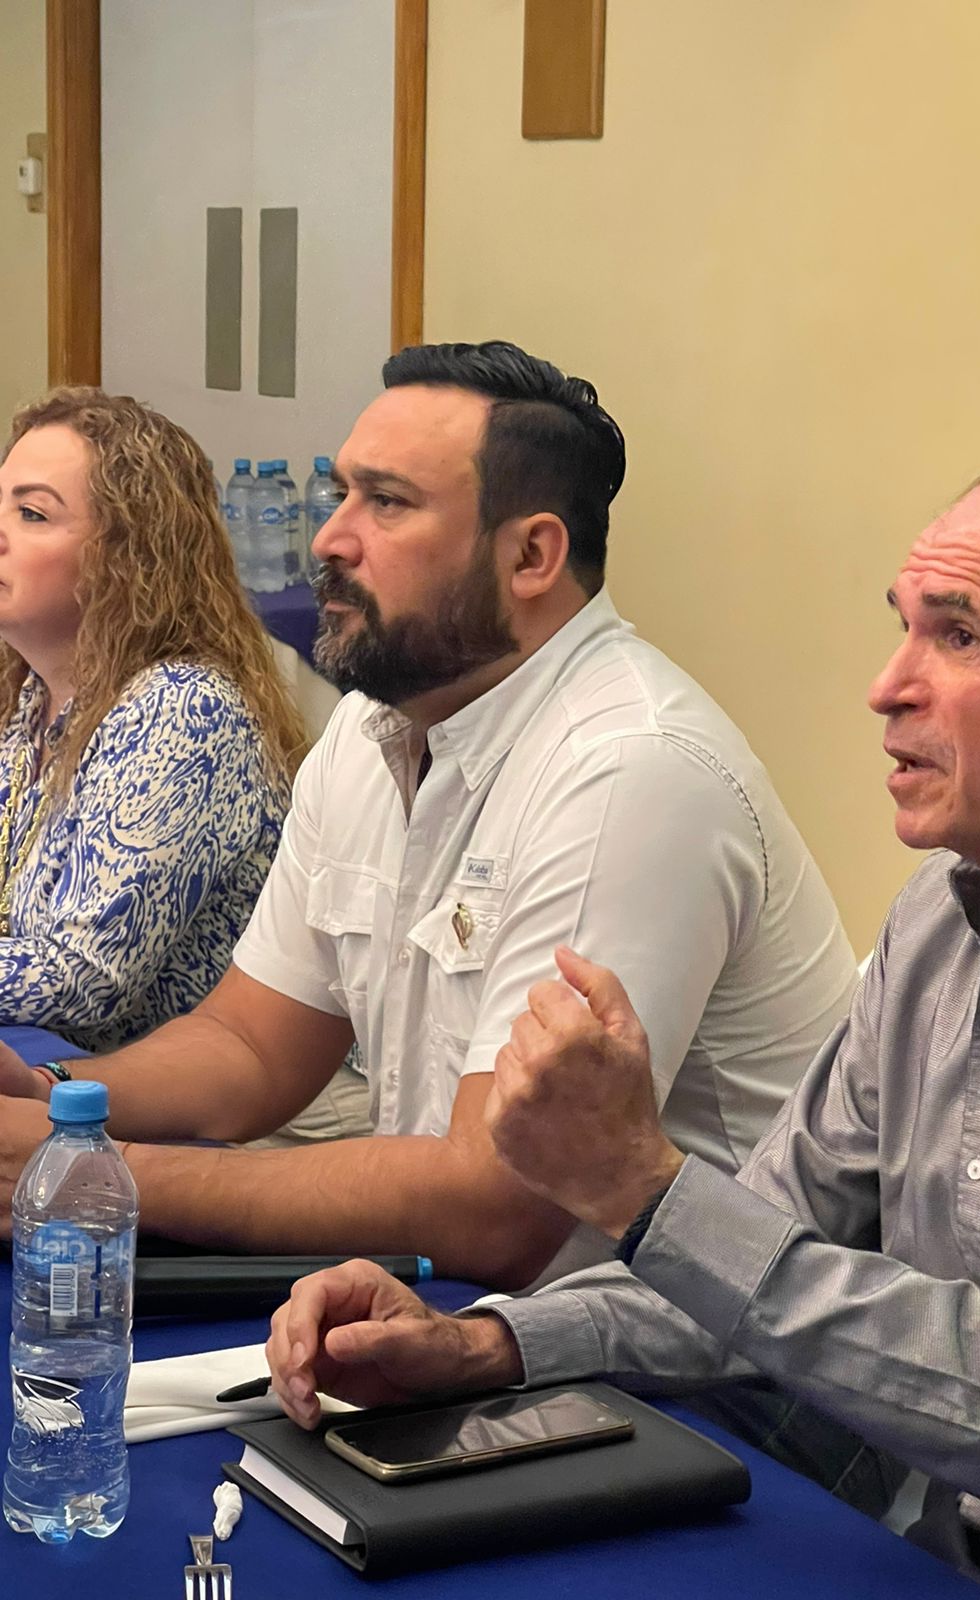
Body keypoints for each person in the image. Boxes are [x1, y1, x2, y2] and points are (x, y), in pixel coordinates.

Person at [266, 452, 980, 1596]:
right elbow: (749, 1260)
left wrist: (643, 1189)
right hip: (911, 1522)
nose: (887, 686)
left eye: (956, 636)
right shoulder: (943, 916)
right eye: (903, 628)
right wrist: (486, 1345)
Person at [0, 342, 856, 1289]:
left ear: (531, 556)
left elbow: (498, 1205)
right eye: (342, 494)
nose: (329, 539)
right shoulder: (374, 726)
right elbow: (251, 1046)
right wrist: (55, 1096)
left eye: (388, 502)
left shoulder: (628, 769)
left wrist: (97, 1172)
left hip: (685, 1345)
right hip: (471, 1310)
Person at [0, 387, 307, 1052]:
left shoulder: (183, 709)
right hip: (70, 1071)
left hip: (206, 1100)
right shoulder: (31, 698)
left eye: (31, 514)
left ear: (126, 557)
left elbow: (86, 976)